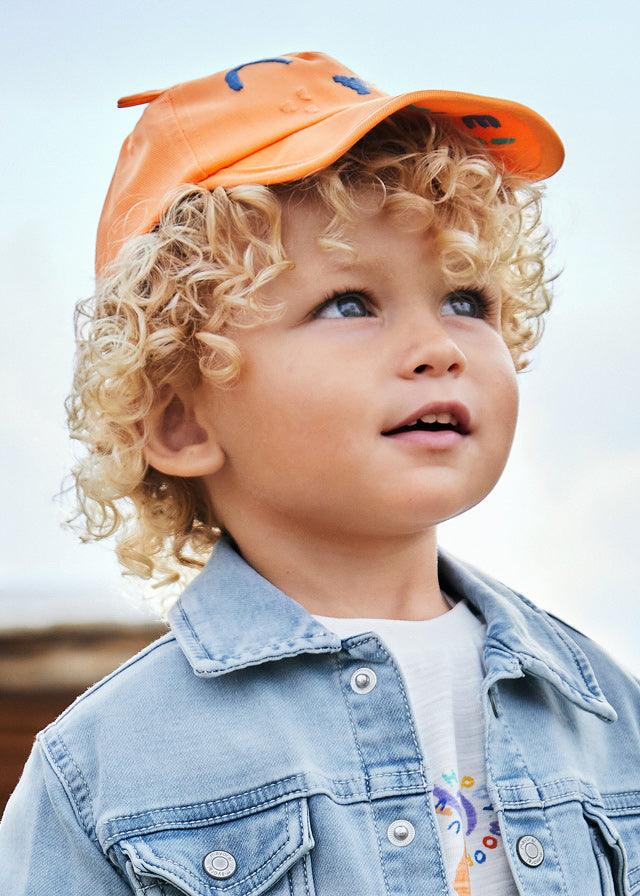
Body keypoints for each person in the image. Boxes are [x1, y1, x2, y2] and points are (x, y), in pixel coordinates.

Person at [1, 50, 638, 896]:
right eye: (349, 304)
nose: (438, 348)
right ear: (183, 419)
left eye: (466, 300)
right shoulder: (100, 776)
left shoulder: (606, 711)